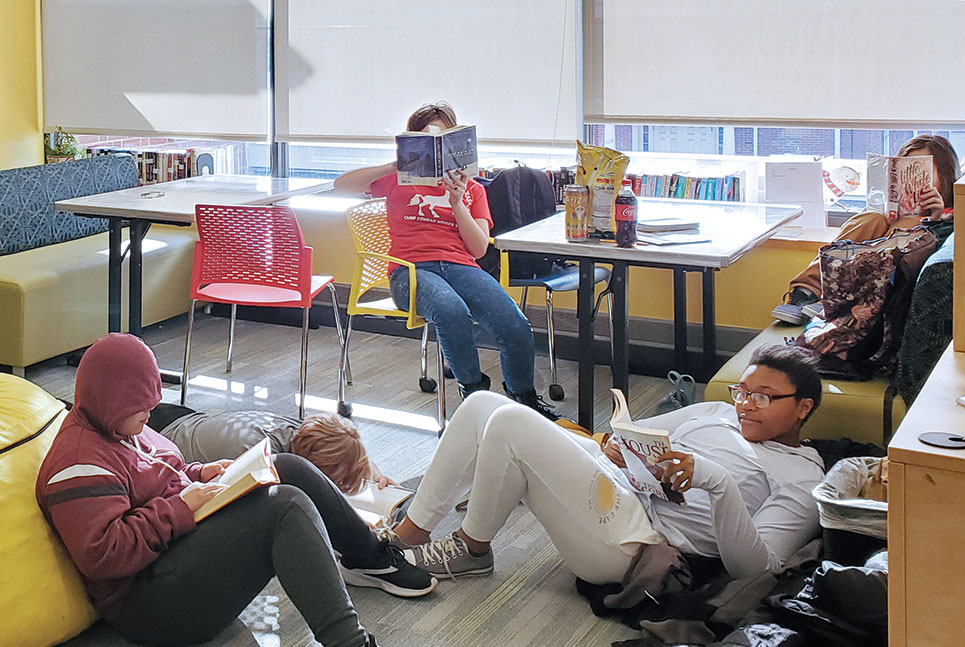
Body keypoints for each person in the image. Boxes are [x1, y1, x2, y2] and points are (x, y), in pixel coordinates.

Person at [35, 334, 435, 647]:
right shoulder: (78, 464)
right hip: (145, 607)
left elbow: (162, 472)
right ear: (110, 399)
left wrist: (201, 474)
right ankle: (350, 642)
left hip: (173, 560)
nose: (148, 412)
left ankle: (371, 557)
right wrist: (179, 509)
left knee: (288, 467)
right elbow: (104, 555)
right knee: (285, 508)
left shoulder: (121, 428)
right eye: (138, 406)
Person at [385, 344, 825, 584]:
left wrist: (716, 481)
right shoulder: (718, 412)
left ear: (803, 408)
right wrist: (618, 446)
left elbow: (756, 569)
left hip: (638, 542)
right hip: (615, 482)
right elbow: (635, 433)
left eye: (762, 397)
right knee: (482, 403)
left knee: (510, 422)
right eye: (742, 392)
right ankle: (407, 533)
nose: (745, 405)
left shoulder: (802, 478)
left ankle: (471, 548)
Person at [333, 101, 556, 419]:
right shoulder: (398, 180)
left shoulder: (473, 190)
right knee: (451, 311)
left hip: (461, 266)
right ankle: (474, 395)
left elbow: (479, 249)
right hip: (410, 271)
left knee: (516, 325)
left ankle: (524, 399)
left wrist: (457, 201)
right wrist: (394, 165)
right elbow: (341, 185)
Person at [773, 134, 961, 325]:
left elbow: (941, 234)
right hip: (884, 227)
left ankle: (839, 297)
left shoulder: (953, 212)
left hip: (884, 277)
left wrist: (935, 216)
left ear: (945, 174)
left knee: (909, 224)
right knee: (871, 219)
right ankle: (805, 291)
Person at [148, 404, 395, 494]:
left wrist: (374, 473)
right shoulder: (257, 457)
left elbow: (346, 438)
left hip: (181, 418)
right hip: (159, 441)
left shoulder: (303, 434)